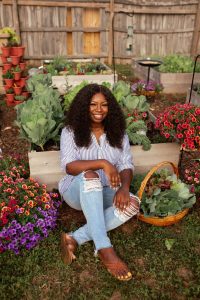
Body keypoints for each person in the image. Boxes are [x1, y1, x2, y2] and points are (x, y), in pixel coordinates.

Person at [58, 83, 140, 281]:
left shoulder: (119, 133)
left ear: (109, 107)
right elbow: (69, 166)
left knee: (133, 203)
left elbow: (126, 163)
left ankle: (74, 238)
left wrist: (124, 187)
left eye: (104, 105)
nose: (98, 110)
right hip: (76, 191)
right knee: (90, 175)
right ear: (84, 106)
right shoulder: (70, 132)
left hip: (105, 190)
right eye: (93, 104)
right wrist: (103, 163)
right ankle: (104, 248)